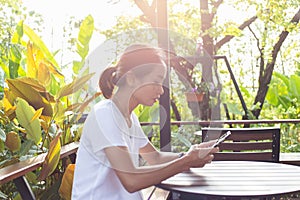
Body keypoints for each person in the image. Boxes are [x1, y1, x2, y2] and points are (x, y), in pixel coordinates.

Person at [71, 44, 218, 200]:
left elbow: (154, 158)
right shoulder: (105, 114)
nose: (161, 91)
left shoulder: (129, 117)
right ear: (131, 78)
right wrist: (186, 162)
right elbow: (131, 180)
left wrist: (187, 154)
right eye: (156, 82)